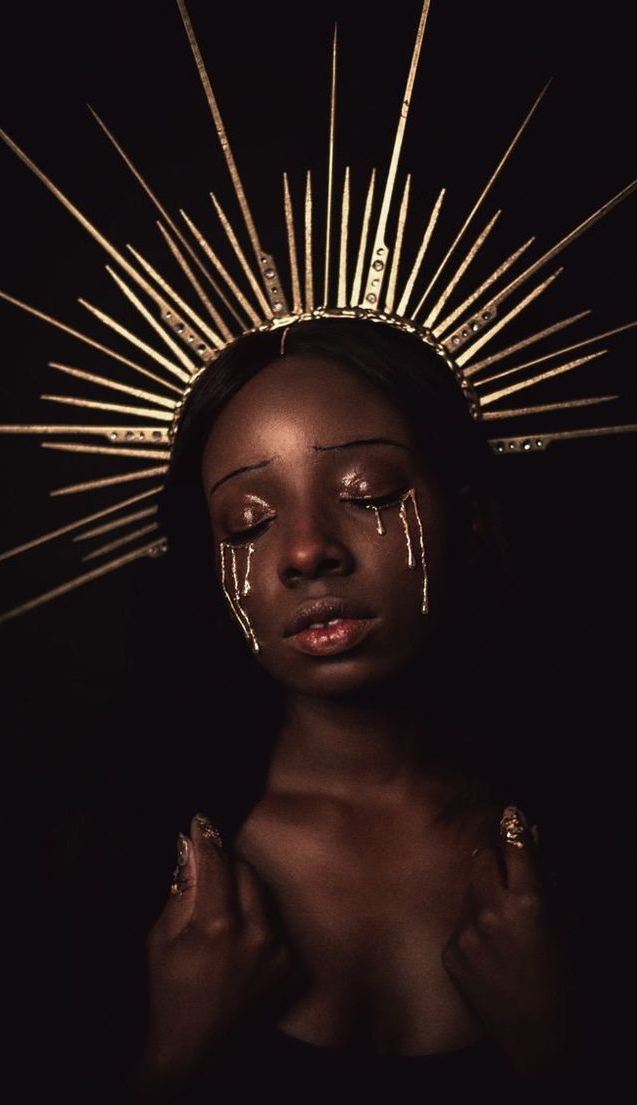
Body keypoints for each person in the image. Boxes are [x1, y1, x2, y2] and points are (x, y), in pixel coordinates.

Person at [62, 318, 593, 1104]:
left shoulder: (610, 821)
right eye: (247, 522)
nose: (306, 550)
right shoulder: (111, 844)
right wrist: (174, 1058)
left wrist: (560, 1056)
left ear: (470, 511)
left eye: (368, 493)